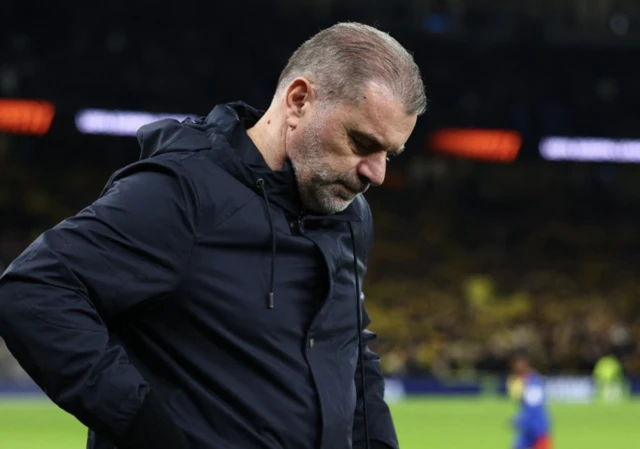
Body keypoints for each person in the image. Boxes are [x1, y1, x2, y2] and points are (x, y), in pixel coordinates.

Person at [0, 22, 426, 449]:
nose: (377, 173)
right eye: (361, 142)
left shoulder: (351, 216)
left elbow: (347, 351)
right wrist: (146, 431)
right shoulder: (183, 192)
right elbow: (33, 290)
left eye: (388, 154)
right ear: (298, 101)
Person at [507, 352, 553, 449]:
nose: (516, 367)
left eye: (519, 364)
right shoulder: (521, 381)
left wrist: (519, 419)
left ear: (525, 364)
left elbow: (534, 407)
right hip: (526, 430)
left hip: (538, 430)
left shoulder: (534, 382)